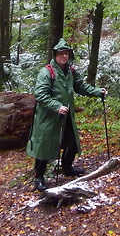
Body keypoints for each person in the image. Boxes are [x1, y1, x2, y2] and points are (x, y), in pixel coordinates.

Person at [27, 38, 107, 191]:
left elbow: (81, 86)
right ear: (55, 55)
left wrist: (98, 92)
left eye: (66, 54)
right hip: (48, 117)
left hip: (66, 115)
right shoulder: (47, 72)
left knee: (72, 143)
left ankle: (67, 168)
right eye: (61, 54)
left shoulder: (70, 71)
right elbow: (40, 94)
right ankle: (39, 177)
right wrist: (56, 106)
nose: (64, 56)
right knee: (44, 146)